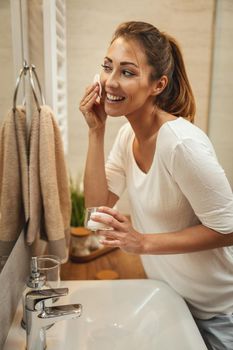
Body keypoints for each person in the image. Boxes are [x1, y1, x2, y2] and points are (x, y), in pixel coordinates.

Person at [79, 21, 233, 350]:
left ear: (158, 85)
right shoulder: (126, 136)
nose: (110, 81)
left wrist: (143, 242)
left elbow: (229, 228)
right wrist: (96, 132)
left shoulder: (180, 145)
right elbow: (96, 213)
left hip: (221, 311)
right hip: (173, 301)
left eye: (128, 72)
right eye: (108, 67)